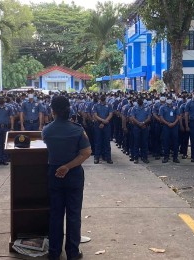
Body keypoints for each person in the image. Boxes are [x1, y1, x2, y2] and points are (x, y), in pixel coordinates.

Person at [42, 96, 91, 260]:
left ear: (53, 110)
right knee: (74, 215)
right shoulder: (77, 130)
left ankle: (54, 252)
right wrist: (68, 167)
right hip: (74, 174)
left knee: (55, 215)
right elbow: (86, 152)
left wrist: (61, 167)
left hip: (54, 174)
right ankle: (72, 252)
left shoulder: (47, 130)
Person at [159, 95, 181, 163]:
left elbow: (178, 116)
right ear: (166, 100)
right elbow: (161, 117)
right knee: (166, 142)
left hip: (174, 127)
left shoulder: (175, 107)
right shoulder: (162, 107)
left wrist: (174, 123)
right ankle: (166, 157)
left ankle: (175, 157)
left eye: (170, 99)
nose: (169, 100)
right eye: (168, 99)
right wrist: (167, 123)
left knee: (175, 142)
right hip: (166, 126)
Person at [92, 94, 113, 164]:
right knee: (98, 141)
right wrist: (102, 121)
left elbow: (110, 114)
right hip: (98, 124)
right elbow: (95, 115)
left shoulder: (109, 105)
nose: (102, 98)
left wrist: (104, 122)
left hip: (106, 125)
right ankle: (96, 157)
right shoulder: (96, 105)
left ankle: (108, 158)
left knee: (107, 142)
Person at [130, 97, 151, 164]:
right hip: (136, 127)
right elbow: (132, 117)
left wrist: (143, 123)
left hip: (145, 127)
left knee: (144, 143)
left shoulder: (147, 108)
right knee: (136, 142)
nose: (139, 102)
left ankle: (144, 157)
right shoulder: (134, 108)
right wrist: (139, 123)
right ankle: (136, 158)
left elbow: (149, 117)